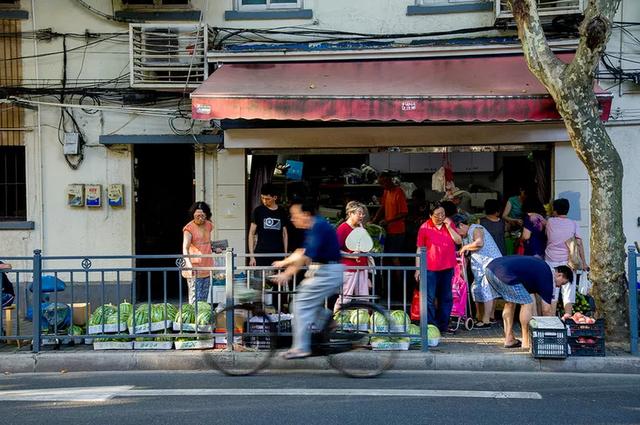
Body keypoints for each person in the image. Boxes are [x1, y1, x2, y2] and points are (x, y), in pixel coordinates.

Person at [272, 198, 344, 359]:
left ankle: (301, 347)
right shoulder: (315, 226)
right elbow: (301, 251)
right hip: (324, 270)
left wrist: (287, 273)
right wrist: (284, 262)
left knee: (300, 304)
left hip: (327, 271)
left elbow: (305, 256)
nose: (292, 219)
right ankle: (327, 320)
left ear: (305, 214)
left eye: (294, 215)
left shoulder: (318, 226)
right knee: (302, 301)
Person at [485, 256, 573, 349]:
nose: (559, 287)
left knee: (510, 302)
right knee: (527, 303)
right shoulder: (548, 276)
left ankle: (509, 339)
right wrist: (554, 329)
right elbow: (546, 310)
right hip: (504, 272)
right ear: (559, 275)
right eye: (562, 283)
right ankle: (527, 342)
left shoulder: (540, 270)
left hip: (491, 269)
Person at [414, 203, 462, 334]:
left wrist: (449, 227)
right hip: (430, 268)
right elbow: (420, 248)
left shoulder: (449, 224)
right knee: (429, 298)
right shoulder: (424, 227)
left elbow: (458, 241)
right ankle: (430, 326)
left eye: (443, 214)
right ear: (430, 215)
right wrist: (418, 269)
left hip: (447, 267)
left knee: (446, 297)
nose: (441, 217)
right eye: (437, 215)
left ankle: (443, 325)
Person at [452, 214, 502, 329]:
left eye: (457, 231)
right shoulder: (465, 238)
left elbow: (479, 243)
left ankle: (486, 320)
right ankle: (479, 317)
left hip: (490, 264)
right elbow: (468, 256)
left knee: (486, 289)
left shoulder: (475, 228)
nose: (458, 235)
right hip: (480, 267)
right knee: (475, 288)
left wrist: (464, 248)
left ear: (461, 225)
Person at [545, 198, 588, 316]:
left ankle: (552, 320)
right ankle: (568, 318)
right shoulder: (573, 224)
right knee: (568, 292)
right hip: (568, 262)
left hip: (551, 261)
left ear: (554, 210)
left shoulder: (549, 222)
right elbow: (579, 244)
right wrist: (583, 263)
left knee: (553, 292)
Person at [372, 171, 408, 299]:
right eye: (381, 183)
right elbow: (382, 207)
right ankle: (390, 286)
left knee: (395, 258)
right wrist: (375, 219)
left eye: (384, 183)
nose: (383, 185)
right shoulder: (386, 192)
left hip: (398, 231)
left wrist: (388, 221)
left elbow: (404, 213)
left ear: (389, 181)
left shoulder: (399, 192)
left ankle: (401, 287)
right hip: (388, 230)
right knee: (388, 258)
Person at [334, 201, 371, 312]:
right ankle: (335, 322)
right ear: (350, 213)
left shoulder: (361, 227)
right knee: (345, 298)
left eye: (362, 214)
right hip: (349, 269)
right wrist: (350, 256)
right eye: (359, 213)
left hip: (361, 267)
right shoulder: (343, 228)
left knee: (364, 298)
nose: (362, 216)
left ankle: (362, 325)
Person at [248, 183, 289, 269]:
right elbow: (251, 233)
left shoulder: (282, 211)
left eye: (267, 199)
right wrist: (252, 256)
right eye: (262, 198)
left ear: (275, 197)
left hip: (278, 254)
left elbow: (285, 234)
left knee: (277, 281)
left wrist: (285, 255)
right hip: (261, 253)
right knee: (259, 281)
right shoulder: (258, 211)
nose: (264, 201)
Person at [182, 201, 214, 304]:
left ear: (207, 215)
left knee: (204, 299)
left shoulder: (209, 225)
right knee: (195, 299)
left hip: (207, 266)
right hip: (194, 268)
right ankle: (194, 319)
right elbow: (185, 248)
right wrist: (189, 264)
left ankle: (202, 319)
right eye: (197, 216)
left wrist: (214, 247)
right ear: (193, 215)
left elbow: (206, 242)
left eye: (202, 216)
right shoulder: (189, 228)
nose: (200, 218)